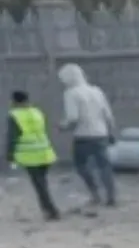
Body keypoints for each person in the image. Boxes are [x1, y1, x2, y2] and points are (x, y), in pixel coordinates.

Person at [57, 63, 117, 208]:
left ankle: (95, 194)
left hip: (83, 136)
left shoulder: (71, 93)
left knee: (81, 166)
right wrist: (111, 132)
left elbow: (73, 118)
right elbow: (108, 114)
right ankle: (111, 196)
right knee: (104, 166)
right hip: (101, 133)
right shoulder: (97, 91)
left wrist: (62, 126)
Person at [7, 90, 59, 222]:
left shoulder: (15, 115)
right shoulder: (37, 112)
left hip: (31, 155)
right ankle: (49, 209)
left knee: (39, 184)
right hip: (45, 152)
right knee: (42, 183)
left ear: (14, 101)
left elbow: (12, 137)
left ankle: (51, 210)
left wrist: (9, 155)